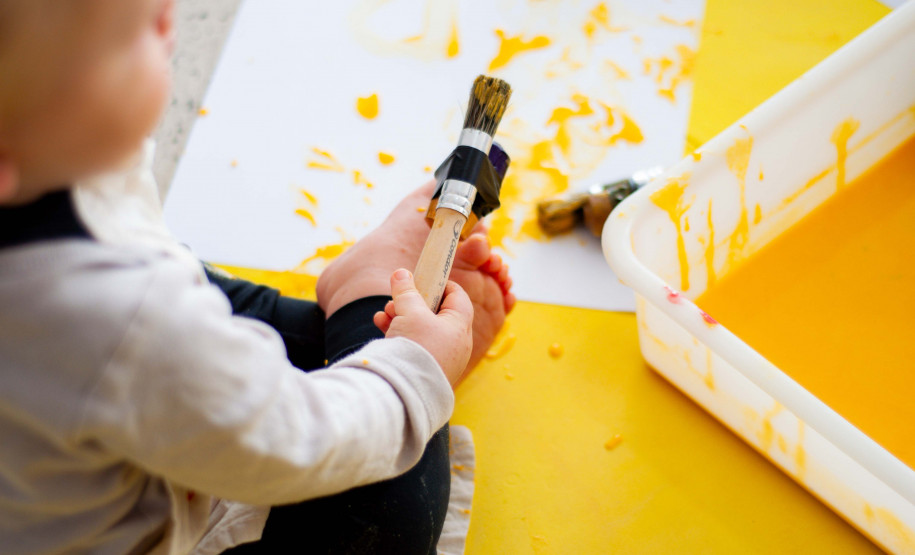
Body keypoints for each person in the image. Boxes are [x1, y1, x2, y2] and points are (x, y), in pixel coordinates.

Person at [0, 0, 514, 553]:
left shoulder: (43, 148)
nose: (172, 27)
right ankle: (383, 329)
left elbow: (159, 294)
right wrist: (419, 375)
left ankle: (377, 334)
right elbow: (288, 442)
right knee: (390, 520)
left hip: (128, 372)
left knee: (211, 304)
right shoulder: (112, 318)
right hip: (171, 503)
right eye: (138, 35)